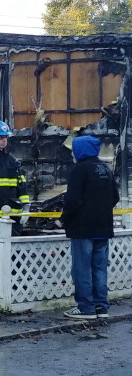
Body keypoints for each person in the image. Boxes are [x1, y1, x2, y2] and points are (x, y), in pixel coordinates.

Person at [59, 134, 119, 320]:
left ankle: (85, 307)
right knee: (100, 268)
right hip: (103, 226)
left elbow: (72, 200)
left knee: (82, 267)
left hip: (83, 227)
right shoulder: (105, 169)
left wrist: (63, 219)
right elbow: (115, 197)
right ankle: (101, 306)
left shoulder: (80, 170)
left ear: (80, 150)